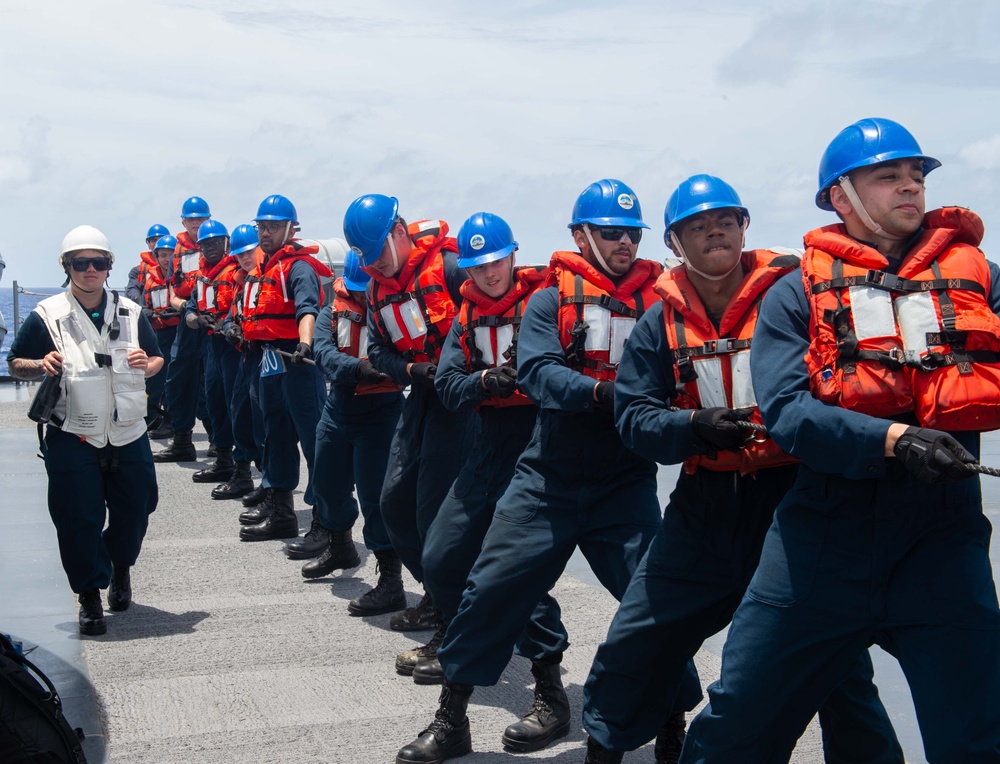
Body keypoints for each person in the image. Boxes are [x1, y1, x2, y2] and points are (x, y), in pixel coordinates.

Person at [678, 118, 1000, 763]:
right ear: (840, 197)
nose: (910, 186)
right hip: (821, 541)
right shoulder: (795, 293)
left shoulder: (981, 279)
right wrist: (897, 440)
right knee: (737, 721)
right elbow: (788, 412)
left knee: (975, 734)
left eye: (916, 176)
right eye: (889, 176)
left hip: (943, 542)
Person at [580, 175, 902, 764]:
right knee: (639, 636)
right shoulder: (659, 322)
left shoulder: (795, 294)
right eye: (698, 227)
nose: (715, 233)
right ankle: (607, 747)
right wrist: (693, 426)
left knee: (837, 666)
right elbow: (634, 419)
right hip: (704, 505)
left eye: (725, 221)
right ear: (675, 244)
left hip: (798, 504)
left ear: (745, 227)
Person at [395, 179, 671, 764]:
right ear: (580, 236)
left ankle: (670, 721)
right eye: (610, 232)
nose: (624, 242)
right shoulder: (548, 302)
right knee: (489, 581)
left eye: (632, 233)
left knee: (654, 600)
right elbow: (541, 373)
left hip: (624, 474)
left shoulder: (660, 301)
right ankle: (455, 716)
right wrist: (611, 395)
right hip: (545, 467)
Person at [401, 212, 571, 750]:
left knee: (520, 570)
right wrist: (485, 380)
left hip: (538, 441)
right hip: (485, 441)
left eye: (497, 260)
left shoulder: (545, 301)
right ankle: (466, 635)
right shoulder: (464, 315)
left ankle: (549, 689)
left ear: (513, 256)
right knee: (443, 556)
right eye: (477, 264)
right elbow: (449, 384)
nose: (490, 272)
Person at [7, 226, 163, 636]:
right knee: (78, 518)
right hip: (71, 432)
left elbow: (158, 359)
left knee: (138, 508)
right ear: (67, 267)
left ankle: (118, 566)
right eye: (81, 263)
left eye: (99, 262)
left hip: (127, 430)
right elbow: (15, 362)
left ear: (110, 266)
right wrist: (40, 364)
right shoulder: (47, 315)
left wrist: (147, 364)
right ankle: (90, 597)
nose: (91, 270)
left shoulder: (131, 311)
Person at [343, 194, 475, 628]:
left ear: (399, 234)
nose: (374, 265)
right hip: (419, 394)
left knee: (433, 508)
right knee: (393, 503)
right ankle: (438, 594)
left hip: (459, 404)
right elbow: (378, 350)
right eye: (365, 256)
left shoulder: (452, 270)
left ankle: (453, 608)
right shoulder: (378, 287)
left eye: (377, 252)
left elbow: (491, 321)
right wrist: (410, 369)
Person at [296, 250, 403, 593]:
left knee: (375, 496)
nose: (361, 296)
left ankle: (390, 576)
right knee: (326, 483)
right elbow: (323, 353)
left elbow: (412, 350)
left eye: (366, 289)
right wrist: (356, 369)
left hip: (382, 411)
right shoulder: (332, 311)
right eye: (356, 290)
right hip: (339, 406)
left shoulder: (393, 310)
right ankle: (340, 546)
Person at [238, 195, 331, 542]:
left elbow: (307, 308)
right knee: (274, 433)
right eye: (262, 227)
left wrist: (305, 343)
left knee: (314, 440)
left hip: (297, 359)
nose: (265, 233)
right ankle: (281, 512)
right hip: (269, 359)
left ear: (291, 230)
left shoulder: (298, 268)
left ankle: (326, 520)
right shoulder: (261, 268)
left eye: (273, 227)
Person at [155, 196, 213, 462]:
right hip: (185, 324)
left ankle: (218, 442)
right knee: (178, 380)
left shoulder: (216, 244)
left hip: (211, 323)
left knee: (213, 383)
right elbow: (171, 290)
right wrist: (184, 307)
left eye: (200, 219)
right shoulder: (177, 250)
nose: (196, 224)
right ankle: (181, 441)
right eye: (191, 219)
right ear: (183, 221)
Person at [214, 223, 264, 501]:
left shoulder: (266, 279)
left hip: (267, 359)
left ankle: (271, 486)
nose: (245, 258)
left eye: (250, 251)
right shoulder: (241, 283)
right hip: (244, 356)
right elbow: (232, 314)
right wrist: (230, 326)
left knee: (265, 422)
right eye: (240, 254)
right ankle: (243, 473)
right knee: (240, 412)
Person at [187, 219, 239, 485]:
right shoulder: (201, 276)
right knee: (215, 400)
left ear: (226, 242)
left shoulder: (236, 270)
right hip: (211, 346)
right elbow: (190, 308)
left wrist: (228, 324)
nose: (211, 248)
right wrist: (197, 319)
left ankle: (244, 467)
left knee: (236, 403)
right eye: (206, 244)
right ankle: (223, 459)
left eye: (216, 242)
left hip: (233, 348)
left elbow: (241, 302)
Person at [140, 235, 182, 427]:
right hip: (158, 335)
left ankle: (172, 421)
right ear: (156, 257)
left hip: (179, 333)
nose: (167, 259)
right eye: (163, 255)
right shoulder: (150, 279)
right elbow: (142, 305)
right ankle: (150, 419)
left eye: (170, 255)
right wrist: (146, 312)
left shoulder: (180, 278)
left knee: (175, 380)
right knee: (154, 381)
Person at [127, 224, 170, 304]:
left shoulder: (177, 267)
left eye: (161, 239)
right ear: (148, 244)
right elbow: (132, 290)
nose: (157, 243)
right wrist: (141, 304)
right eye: (153, 240)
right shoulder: (137, 271)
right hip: (148, 311)